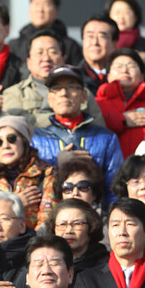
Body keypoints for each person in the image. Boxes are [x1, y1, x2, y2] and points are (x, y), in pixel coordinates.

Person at [31, 65, 123, 206]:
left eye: (72, 87)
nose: (63, 93)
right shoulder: (36, 139)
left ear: (84, 96)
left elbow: (115, 189)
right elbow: (32, 187)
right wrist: (57, 164)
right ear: (49, 98)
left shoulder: (106, 138)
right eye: (56, 88)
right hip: (51, 218)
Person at [3, 29, 105, 129]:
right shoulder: (14, 93)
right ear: (29, 62)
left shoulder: (81, 92)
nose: (46, 58)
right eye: (39, 52)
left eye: (53, 52)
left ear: (64, 59)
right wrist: (68, 119)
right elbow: (11, 126)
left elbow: (99, 130)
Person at [0, 115, 56, 230]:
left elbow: (48, 219)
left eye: (11, 139)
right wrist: (14, 204)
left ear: (24, 142)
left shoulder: (47, 174)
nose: (5, 146)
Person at [95, 48, 145, 157]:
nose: (125, 70)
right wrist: (122, 120)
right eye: (118, 66)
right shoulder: (96, 104)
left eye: (131, 66)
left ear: (142, 76)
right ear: (108, 77)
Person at [104, 0, 145, 94]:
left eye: (127, 12)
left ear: (136, 16)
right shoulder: (105, 44)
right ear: (108, 16)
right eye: (117, 12)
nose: (121, 17)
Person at [41, 198, 107, 277]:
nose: (69, 231)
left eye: (77, 224)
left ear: (91, 227)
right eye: (62, 224)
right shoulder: (42, 266)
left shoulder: (106, 265)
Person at [8, 0, 82, 66]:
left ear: (56, 12)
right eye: (36, 4)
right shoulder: (14, 46)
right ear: (29, 10)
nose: (40, 10)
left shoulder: (71, 46)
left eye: (46, 5)